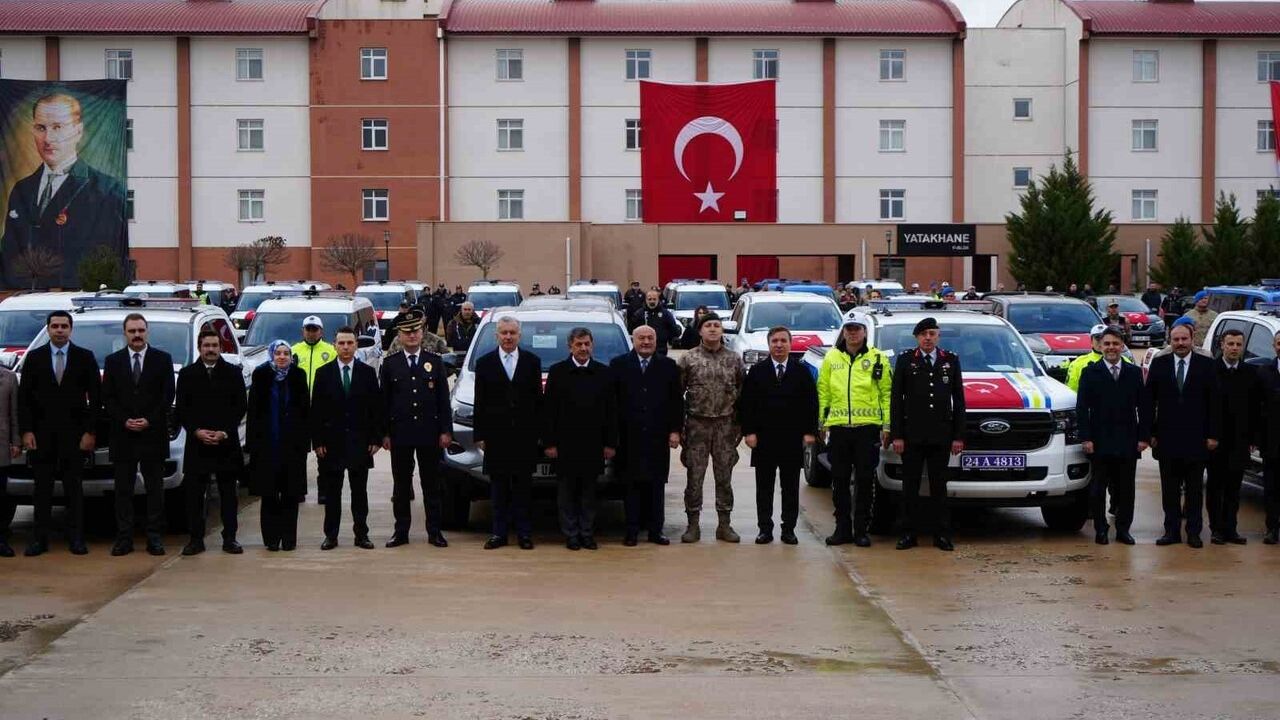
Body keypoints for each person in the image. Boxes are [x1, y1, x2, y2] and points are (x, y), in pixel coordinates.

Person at [1, 93, 126, 288]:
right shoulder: (21, 190)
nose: (48, 138)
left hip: (76, 296)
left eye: (58, 127)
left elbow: (106, 256)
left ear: (78, 131)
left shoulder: (106, 191)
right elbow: (9, 252)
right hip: (25, 298)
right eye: (41, 128)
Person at [18, 310, 99, 556]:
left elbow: (96, 399)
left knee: (74, 491)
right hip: (41, 437)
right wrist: (26, 431)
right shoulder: (34, 358)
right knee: (41, 491)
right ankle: (39, 540)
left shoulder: (85, 357)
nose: (60, 330)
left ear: (71, 329)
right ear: (48, 329)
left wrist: (90, 432)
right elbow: (24, 400)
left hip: (74, 438)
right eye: (55, 326)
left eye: (64, 326)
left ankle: (76, 539)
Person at [101, 312, 175, 557]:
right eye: (132, 331)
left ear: (147, 332)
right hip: (123, 436)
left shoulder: (162, 360)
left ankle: (154, 538)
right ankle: (124, 538)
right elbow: (108, 398)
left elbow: (167, 396)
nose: (137, 335)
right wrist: (124, 420)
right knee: (123, 490)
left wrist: (149, 420)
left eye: (141, 330)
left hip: (152, 435)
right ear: (125, 333)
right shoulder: (113, 362)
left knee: (155, 490)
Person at [889, 317, 965, 552]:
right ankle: (908, 533)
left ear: (938, 336)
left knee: (939, 487)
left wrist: (958, 436)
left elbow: (959, 401)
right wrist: (897, 435)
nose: (928, 338)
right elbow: (896, 401)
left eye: (932, 333)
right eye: (924, 334)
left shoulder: (950, 360)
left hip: (941, 436)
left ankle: (941, 534)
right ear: (917, 337)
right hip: (912, 435)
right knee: (909, 487)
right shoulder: (905, 360)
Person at [816, 316, 892, 547]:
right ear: (844, 332)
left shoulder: (877, 358)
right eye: (848, 329)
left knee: (864, 480)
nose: (852, 333)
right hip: (839, 429)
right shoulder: (831, 357)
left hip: (867, 430)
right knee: (839, 481)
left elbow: (886, 394)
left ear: (864, 332)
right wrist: (822, 422)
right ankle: (842, 529)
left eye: (857, 329)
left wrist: (887, 425)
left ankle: (861, 529)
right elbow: (824, 391)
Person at [740, 327, 819, 545]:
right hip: (764, 438)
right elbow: (747, 403)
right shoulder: (757, 371)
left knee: (790, 486)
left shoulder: (801, 371)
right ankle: (765, 528)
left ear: (790, 344)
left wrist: (810, 432)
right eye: (774, 341)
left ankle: (788, 529)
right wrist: (749, 432)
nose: (779, 345)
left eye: (783, 340)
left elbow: (811, 403)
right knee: (764, 486)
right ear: (768, 344)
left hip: (792, 438)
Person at [381, 309, 453, 548]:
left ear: (422, 333)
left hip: (429, 433)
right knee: (401, 485)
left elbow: (443, 399)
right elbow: (385, 401)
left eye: (415, 331)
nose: (411, 336)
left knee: (431, 484)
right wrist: (385, 433)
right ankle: (401, 531)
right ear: (400, 336)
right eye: (407, 332)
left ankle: (435, 532)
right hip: (400, 433)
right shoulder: (390, 364)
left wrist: (446, 431)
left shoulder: (435, 361)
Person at [1145, 322, 1219, 548]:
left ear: (1192, 339)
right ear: (1170, 340)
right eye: (1175, 339)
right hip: (1167, 439)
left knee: (1195, 490)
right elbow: (1149, 402)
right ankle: (1171, 531)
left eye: (1184, 339)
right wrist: (1150, 433)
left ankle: (1194, 532)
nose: (1180, 344)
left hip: (1197, 439)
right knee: (1169, 490)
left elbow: (1215, 403)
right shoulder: (1160, 363)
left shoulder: (1206, 364)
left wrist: (1213, 435)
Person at [542, 328, 617, 550]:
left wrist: (610, 443)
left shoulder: (603, 373)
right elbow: (549, 411)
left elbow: (611, 411)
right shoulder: (558, 372)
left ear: (592, 345)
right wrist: (549, 443)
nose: (583, 348)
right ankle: (571, 534)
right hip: (565, 445)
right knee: (566, 493)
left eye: (586, 344)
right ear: (570, 347)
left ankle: (587, 533)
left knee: (589, 494)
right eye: (578, 344)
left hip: (593, 444)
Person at [473, 316, 542, 550]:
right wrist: (480, 435)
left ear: (519, 336)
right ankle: (499, 534)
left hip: (524, 437)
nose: (508, 337)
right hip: (496, 437)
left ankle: (524, 534)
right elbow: (479, 402)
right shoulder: (484, 363)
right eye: (504, 333)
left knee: (523, 489)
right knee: (498, 490)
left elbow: (537, 401)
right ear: (497, 336)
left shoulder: (532, 362)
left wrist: (538, 434)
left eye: (512, 333)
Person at [176, 329, 247, 556]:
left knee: (228, 494)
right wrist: (196, 431)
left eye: (215, 345)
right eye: (207, 346)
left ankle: (230, 539)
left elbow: (240, 406)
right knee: (195, 496)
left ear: (220, 347)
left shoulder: (233, 373)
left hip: (226, 443)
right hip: (198, 445)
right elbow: (183, 409)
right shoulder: (187, 374)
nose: (211, 350)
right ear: (200, 348)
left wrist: (224, 431)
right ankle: (196, 539)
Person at [311, 327, 382, 550]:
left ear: (356, 345)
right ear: (334, 345)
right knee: (332, 494)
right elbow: (317, 411)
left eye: (349, 343)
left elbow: (375, 410)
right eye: (341, 343)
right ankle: (330, 535)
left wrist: (375, 439)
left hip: (360, 444)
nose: (345, 347)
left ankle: (361, 534)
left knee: (359, 493)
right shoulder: (323, 373)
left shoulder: (367, 373)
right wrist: (318, 441)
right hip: (331, 445)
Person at [1077, 328, 1149, 545]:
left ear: (1122, 345)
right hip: (1099, 442)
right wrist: (1086, 438)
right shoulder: (1090, 373)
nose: (1111, 348)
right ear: (1100, 346)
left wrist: (1143, 437)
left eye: (1115, 344)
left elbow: (1144, 408)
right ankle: (1101, 528)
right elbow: (1082, 408)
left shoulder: (1134, 373)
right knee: (1098, 488)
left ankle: (1123, 529)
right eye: (1107, 343)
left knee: (1126, 489)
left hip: (1127, 441)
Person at [677, 313, 746, 543]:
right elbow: (677, 395)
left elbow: (742, 394)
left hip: (725, 427)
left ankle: (724, 524)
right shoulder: (688, 359)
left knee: (724, 477)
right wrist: (680, 428)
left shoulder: (734, 359)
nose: (713, 329)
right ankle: (693, 524)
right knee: (694, 478)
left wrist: (739, 428)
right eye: (708, 326)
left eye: (717, 325)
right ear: (700, 331)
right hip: (697, 425)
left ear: (722, 330)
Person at [612, 325, 683, 546]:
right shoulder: (619, 365)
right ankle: (631, 531)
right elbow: (612, 404)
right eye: (641, 338)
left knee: (656, 485)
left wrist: (675, 431)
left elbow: (676, 402)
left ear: (655, 340)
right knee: (630, 485)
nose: (645, 342)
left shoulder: (668, 366)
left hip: (657, 434)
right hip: (628, 436)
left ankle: (656, 531)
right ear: (633, 340)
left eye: (650, 338)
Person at [247, 340, 310, 551]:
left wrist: (304, 443)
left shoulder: (298, 376)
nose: (282, 357)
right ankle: (272, 539)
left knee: (291, 495)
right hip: (268, 446)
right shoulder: (261, 374)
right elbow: (254, 411)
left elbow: (305, 411)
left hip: (292, 447)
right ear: (272, 355)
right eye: (278, 353)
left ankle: (289, 538)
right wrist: (253, 445)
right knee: (270, 495)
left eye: (286, 353)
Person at [1207, 328, 1258, 545]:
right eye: (1231, 344)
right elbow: (1204, 406)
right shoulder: (1211, 370)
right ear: (1222, 345)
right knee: (1215, 487)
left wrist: (1252, 439)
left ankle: (1231, 529)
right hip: (1215, 441)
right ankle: (1216, 529)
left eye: (1238, 344)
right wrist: (1208, 435)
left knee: (1234, 488)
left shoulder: (1249, 373)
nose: (1235, 348)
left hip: (1239, 441)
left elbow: (1255, 408)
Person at [1259, 330, 1280, 545]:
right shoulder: (1264, 372)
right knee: (1272, 488)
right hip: (1272, 442)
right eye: (1279, 343)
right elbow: (1257, 408)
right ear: (1274, 346)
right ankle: (1272, 528)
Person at [1066, 324, 1133, 392]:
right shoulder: (1078, 363)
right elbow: (1072, 391)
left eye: (1104, 339)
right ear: (1091, 341)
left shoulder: (1125, 361)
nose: (1101, 341)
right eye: (1098, 338)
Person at [0, 361, 19, 558]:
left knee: (2, 496)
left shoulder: (9, 378)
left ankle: (2, 538)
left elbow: (14, 413)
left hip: (2, 445)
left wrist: (16, 442)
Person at [292, 316, 336, 394]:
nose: (311, 333)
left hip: (323, 398)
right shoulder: (293, 351)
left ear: (321, 332)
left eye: (315, 329)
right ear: (303, 331)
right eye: (308, 329)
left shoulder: (332, 351)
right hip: (300, 399)